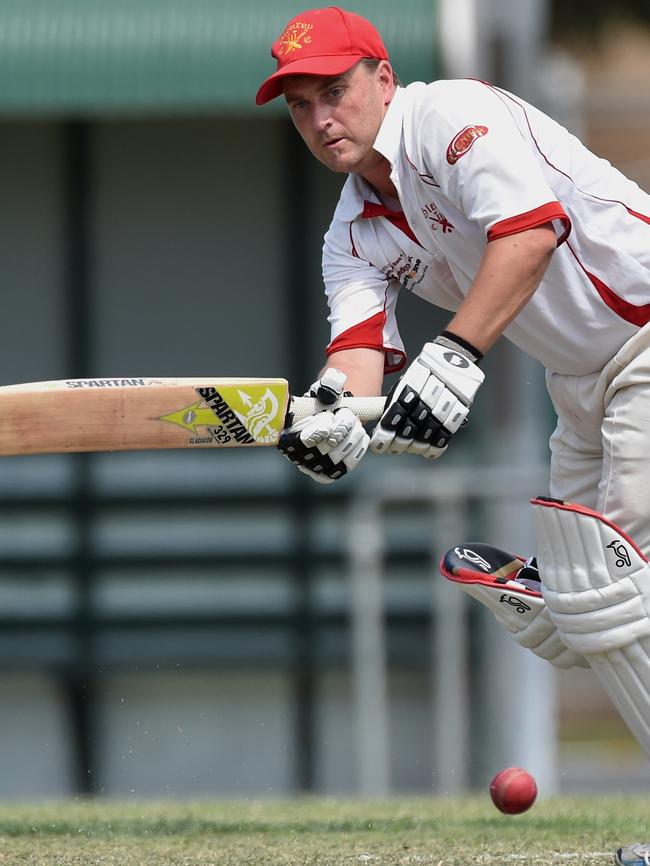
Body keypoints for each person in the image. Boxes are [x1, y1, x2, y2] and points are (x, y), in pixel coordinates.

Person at [256, 8, 650, 864]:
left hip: (646, 338)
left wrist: (457, 354)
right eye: (300, 106)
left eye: (335, 92)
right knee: (574, 626)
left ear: (382, 78)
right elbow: (357, 354)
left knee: (613, 586)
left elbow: (531, 233)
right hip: (579, 383)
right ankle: (565, 591)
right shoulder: (352, 229)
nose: (322, 120)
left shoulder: (452, 120)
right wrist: (332, 419)